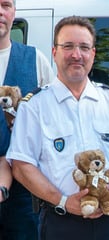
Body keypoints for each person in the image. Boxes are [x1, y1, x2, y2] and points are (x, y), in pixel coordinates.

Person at [6, 15, 109, 239]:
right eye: (68, 46)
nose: (76, 55)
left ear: (93, 54)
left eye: (84, 47)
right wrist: (64, 201)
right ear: (54, 52)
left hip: (107, 223)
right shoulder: (34, 106)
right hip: (60, 221)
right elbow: (21, 165)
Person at [0, 0, 55, 238]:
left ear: (14, 12)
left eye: (5, 4)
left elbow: (54, 118)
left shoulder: (35, 59)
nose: (0, 11)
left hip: (25, 192)